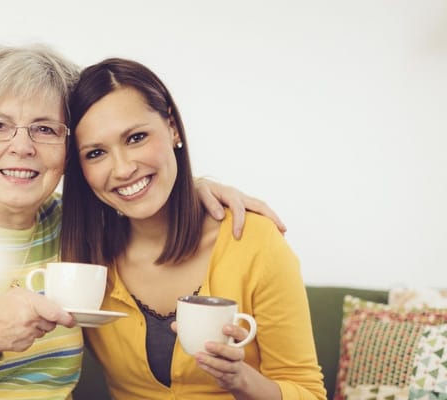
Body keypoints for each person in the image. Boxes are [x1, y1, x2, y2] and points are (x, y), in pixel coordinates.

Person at [0, 44, 285, 399]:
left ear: (68, 153)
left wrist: (197, 188)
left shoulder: (72, 230)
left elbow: (136, 184)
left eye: (45, 129)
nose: (22, 146)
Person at [60, 58, 326, 400]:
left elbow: (309, 392)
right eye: (96, 153)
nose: (123, 168)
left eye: (136, 137)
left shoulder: (253, 242)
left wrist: (241, 379)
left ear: (172, 127)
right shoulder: (81, 254)